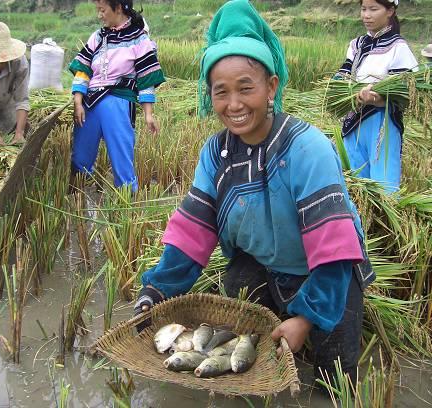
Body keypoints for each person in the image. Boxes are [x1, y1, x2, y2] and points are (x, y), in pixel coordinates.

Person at [134, 0, 374, 385]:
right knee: (242, 304)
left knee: (335, 378)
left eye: (246, 88)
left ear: (271, 87)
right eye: (221, 92)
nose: (234, 104)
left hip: (327, 276)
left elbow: (333, 250)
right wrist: (155, 291)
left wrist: (307, 318)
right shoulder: (215, 153)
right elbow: (194, 231)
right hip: (266, 267)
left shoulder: (306, 149)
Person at [69, 0, 165, 192]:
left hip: (118, 102)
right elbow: (83, 69)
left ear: (119, 8)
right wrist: (78, 100)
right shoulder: (98, 37)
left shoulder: (139, 39)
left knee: (122, 161)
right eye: (98, 10)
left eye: (102, 10)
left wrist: (148, 114)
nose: (99, 15)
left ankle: (128, 204)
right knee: (80, 159)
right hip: (90, 104)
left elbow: (146, 79)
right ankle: (79, 199)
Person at [337, 0, 418, 193]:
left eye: (373, 9)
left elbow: (405, 92)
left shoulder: (398, 48)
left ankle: (385, 222)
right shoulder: (356, 45)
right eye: (364, 9)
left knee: (383, 187)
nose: (366, 15)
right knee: (352, 184)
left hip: (381, 124)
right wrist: (343, 87)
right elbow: (343, 75)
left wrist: (377, 98)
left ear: (390, 10)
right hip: (352, 122)